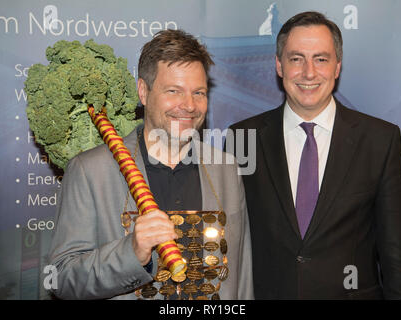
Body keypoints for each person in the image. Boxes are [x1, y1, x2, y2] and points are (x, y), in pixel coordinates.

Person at [49, 29, 253, 300]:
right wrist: (131, 252)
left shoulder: (226, 168)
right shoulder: (90, 171)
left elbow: (242, 277)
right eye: (174, 91)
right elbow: (61, 279)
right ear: (143, 92)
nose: (189, 105)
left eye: (199, 93)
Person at [229, 11, 401, 299]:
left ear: (337, 67)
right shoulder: (242, 138)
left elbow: (399, 259)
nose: (309, 72)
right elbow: (231, 243)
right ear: (279, 66)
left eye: (321, 59)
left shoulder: (379, 141)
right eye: (296, 59)